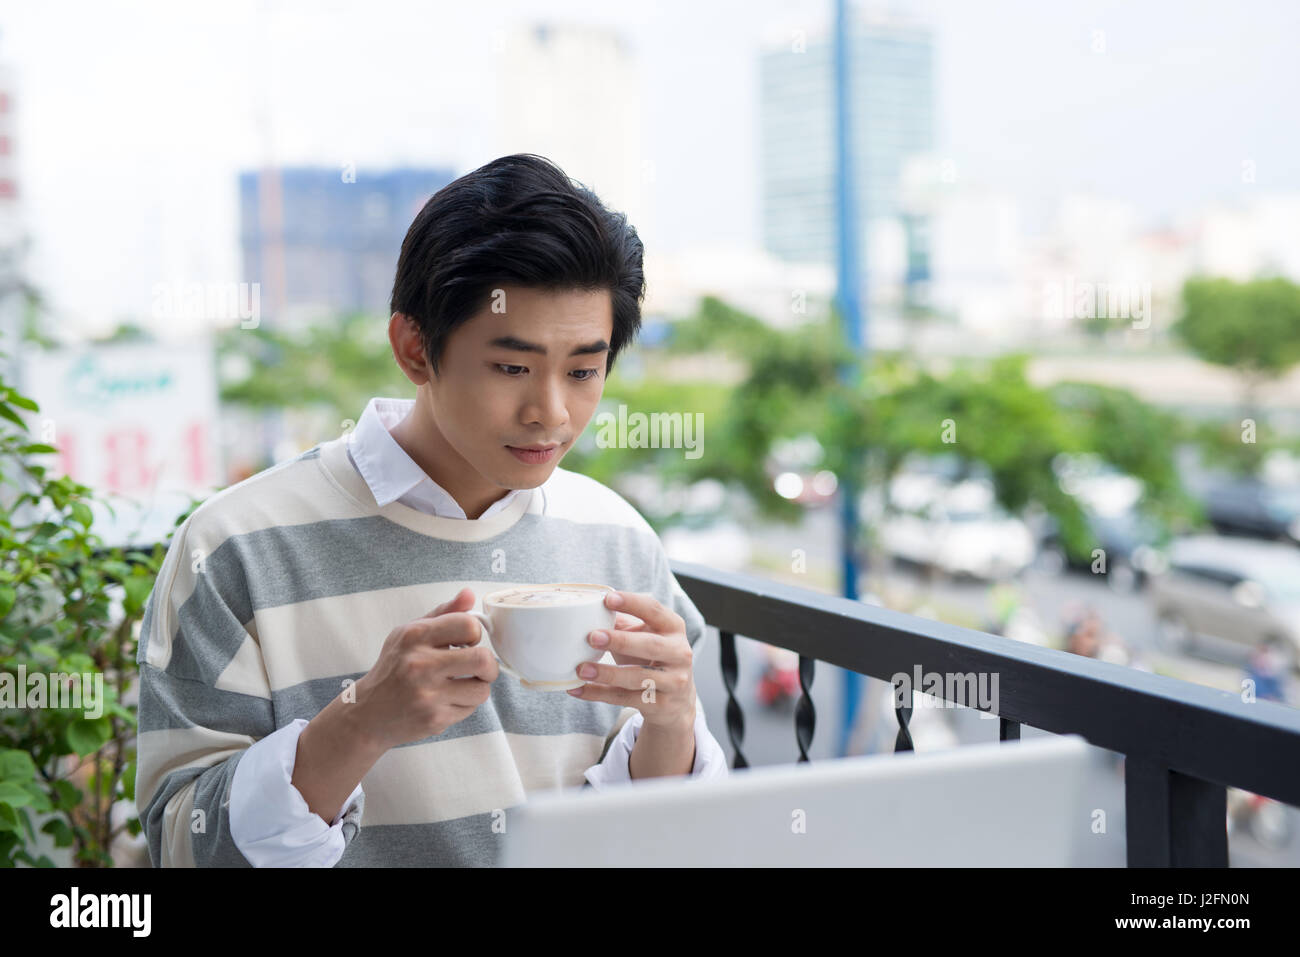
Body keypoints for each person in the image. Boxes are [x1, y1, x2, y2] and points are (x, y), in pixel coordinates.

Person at [135, 154, 729, 867]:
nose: (552, 411)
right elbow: (182, 844)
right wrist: (358, 724)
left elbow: (658, 842)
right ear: (415, 348)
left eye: (582, 370)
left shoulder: (619, 540)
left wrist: (672, 724)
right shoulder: (235, 547)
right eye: (512, 366)